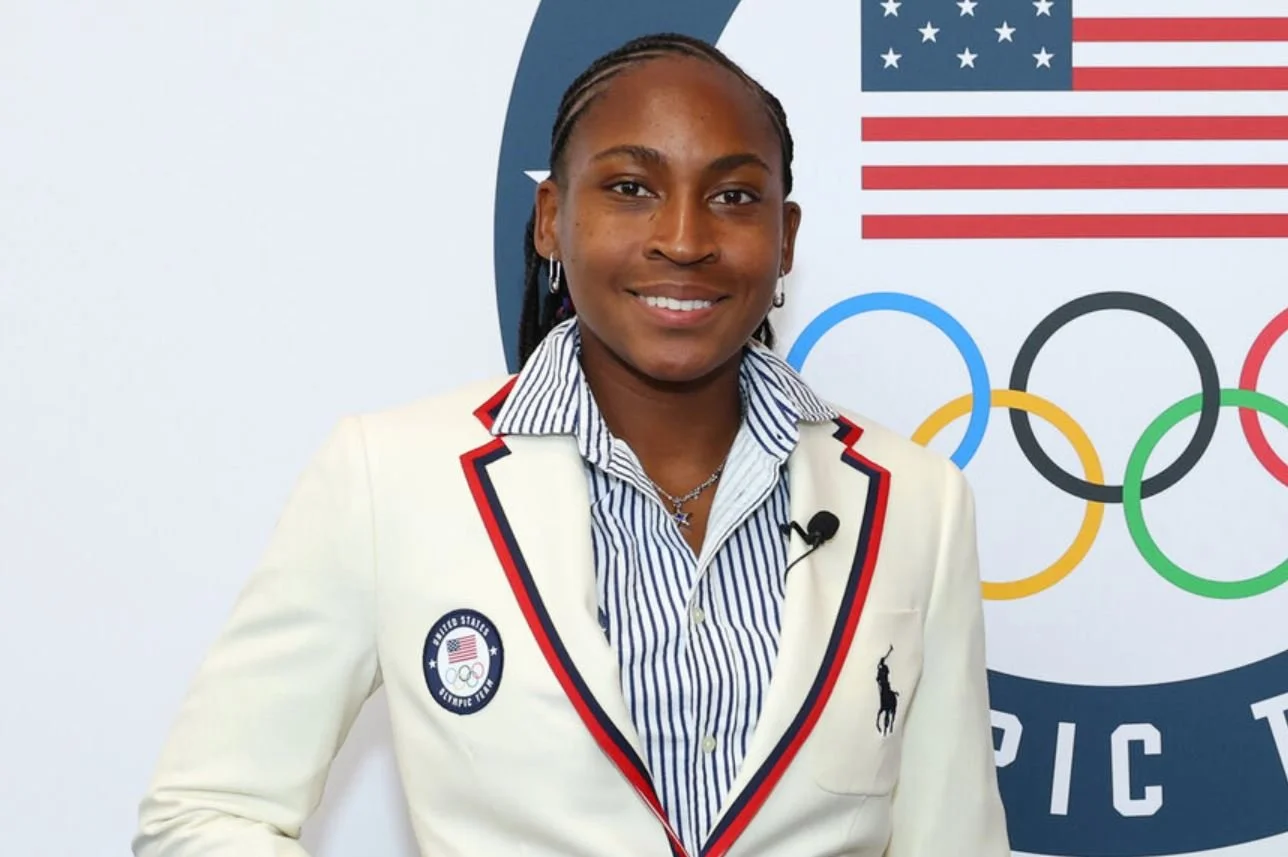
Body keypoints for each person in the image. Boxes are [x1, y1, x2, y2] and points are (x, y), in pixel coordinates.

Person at [134, 32, 1009, 857]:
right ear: (551, 219)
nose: (684, 238)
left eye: (734, 197)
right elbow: (205, 811)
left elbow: (955, 839)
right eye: (630, 187)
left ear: (787, 240)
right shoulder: (389, 477)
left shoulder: (916, 501)